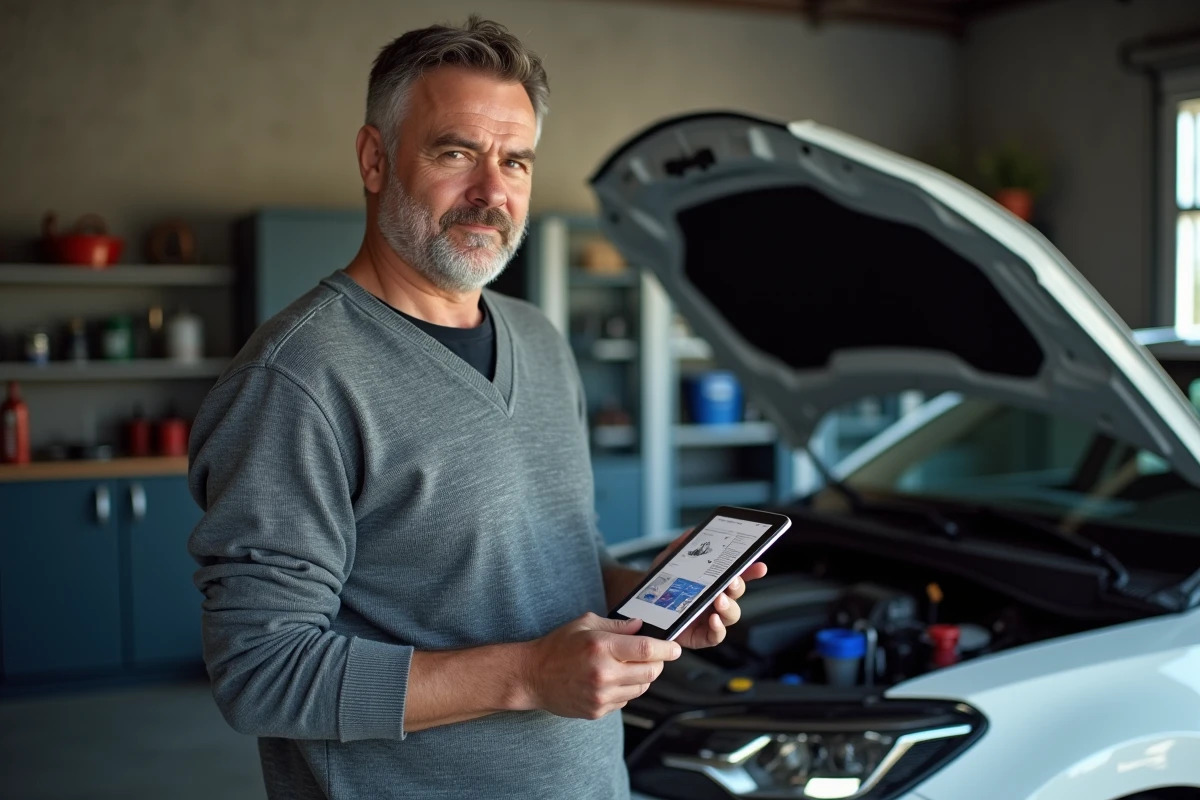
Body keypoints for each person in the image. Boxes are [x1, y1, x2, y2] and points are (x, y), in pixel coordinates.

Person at [187, 16, 766, 800]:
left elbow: (558, 565)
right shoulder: (297, 380)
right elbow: (262, 672)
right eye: (456, 152)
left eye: (515, 161)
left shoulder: (540, 339)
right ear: (374, 159)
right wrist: (528, 675)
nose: (493, 193)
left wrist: (647, 596)